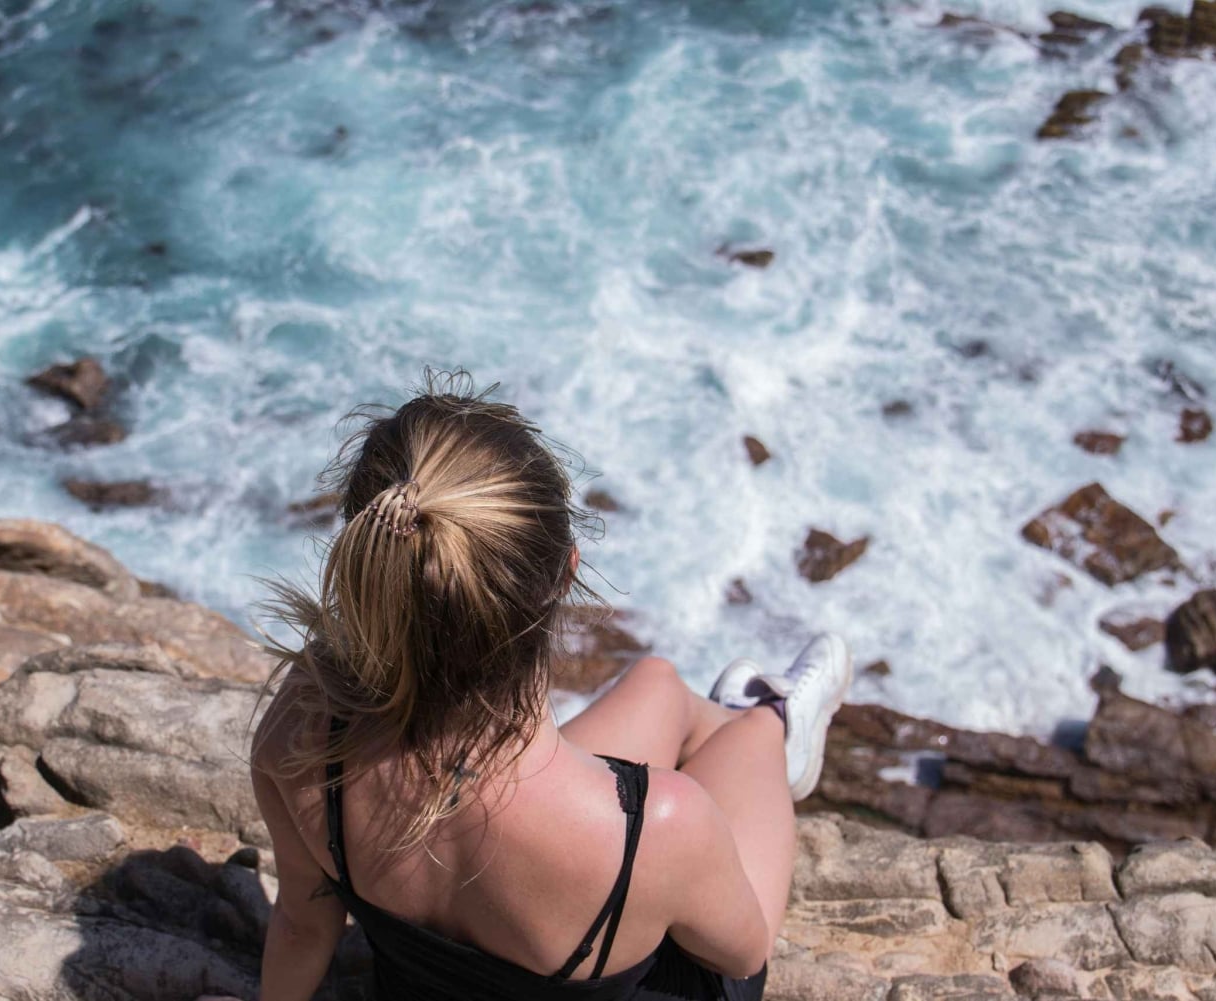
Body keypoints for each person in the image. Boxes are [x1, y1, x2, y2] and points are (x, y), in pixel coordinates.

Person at [249, 373, 852, 1001]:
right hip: (611, 887)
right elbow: (743, 956)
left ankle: (722, 724)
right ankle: (774, 721)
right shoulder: (662, 827)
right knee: (754, 736)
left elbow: (302, 924)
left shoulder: (303, 727)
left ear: (373, 562)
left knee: (659, 683)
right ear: (567, 572)